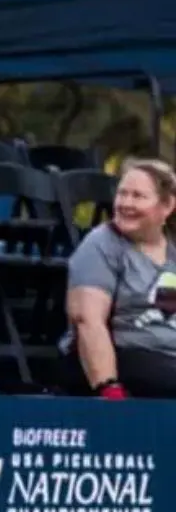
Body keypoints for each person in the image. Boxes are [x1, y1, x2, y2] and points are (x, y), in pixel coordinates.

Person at [62, 158, 176, 398]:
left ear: (166, 206)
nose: (126, 203)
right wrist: (108, 386)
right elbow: (87, 321)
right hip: (129, 354)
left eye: (138, 196)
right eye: (122, 194)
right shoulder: (101, 245)